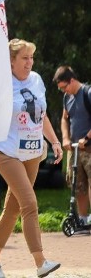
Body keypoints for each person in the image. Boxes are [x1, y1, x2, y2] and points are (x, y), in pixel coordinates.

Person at [0, 38, 61, 278]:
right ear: (10, 62)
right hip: (5, 151)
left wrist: (55, 142)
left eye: (31, 58)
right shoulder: (0, 84)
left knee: (12, 210)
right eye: (24, 58)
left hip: (32, 152)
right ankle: (40, 262)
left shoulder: (37, 80)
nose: (29, 62)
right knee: (29, 204)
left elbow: (42, 116)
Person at [55, 65, 91, 223]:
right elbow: (64, 118)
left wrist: (87, 138)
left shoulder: (87, 93)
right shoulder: (66, 98)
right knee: (78, 186)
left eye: (64, 87)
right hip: (75, 149)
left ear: (72, 80)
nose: (64, 91)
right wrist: (65, 138)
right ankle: (83, 219)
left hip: (89, 148)